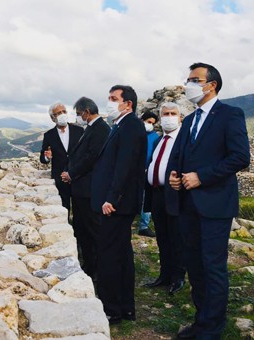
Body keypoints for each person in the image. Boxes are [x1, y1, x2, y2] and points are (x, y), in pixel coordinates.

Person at [169, 63, 249, 339]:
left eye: (195, 79)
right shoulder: (189, 120)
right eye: (188, 79)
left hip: (215, 204)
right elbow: (182, 157)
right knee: (194, 264)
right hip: (188, 204)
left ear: (211, 84)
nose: (188, 84)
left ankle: (213, 328)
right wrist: (176, 177)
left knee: (212, 266)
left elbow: (240, 157)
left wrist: (201, 177)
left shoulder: (230, 115)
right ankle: (201, 319)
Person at [91, 85, 146, 324]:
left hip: (116, 205)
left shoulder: (131, 126)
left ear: (128, 104)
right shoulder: (121, 125)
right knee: (121, 253)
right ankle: (125, 307)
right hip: (116, 202)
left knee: (110, 254)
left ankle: (111, 308)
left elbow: (125, 166)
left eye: (114, 99)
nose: (110, 102)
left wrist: (112, 198)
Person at [61, 97, 110, 279]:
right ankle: (88, 262)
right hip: (82, 189)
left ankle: (95, 267)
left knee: (91, 230)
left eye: (79, 113)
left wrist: (71, 173)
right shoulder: (92, 128)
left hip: (89, 189)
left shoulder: (100, 130)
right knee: (82, 227)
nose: (78, 117)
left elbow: (91, 157)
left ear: (87, 112)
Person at [143, 102, 186, 294]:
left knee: (177, 237)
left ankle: (178, 277)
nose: (169, 117)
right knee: (162, 236)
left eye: (173, 113)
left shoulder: (184, 140)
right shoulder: (161, 139)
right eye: (165, 114)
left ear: (180, 117)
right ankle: (164, 274)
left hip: (176, 195)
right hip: (158, 194)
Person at [40, 102, 84, 215]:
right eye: (58, 113)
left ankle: (79, 232)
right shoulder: (49, 135)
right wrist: (46, 157)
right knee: (63, 210)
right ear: (52, 118)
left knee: (81, 210)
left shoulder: (79, 131)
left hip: (78, 176)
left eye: (64, 111)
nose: (62, 114)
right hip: (60, 179)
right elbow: (42, 158)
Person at [137, 112, 159, 237]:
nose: (150, 125)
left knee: (146, 198)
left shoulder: (155, 137)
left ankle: (143, 226)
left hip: (146, 172)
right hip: (132, 171)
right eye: (148, 122)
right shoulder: (134, 134)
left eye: (152, 123)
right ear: (142, 120)